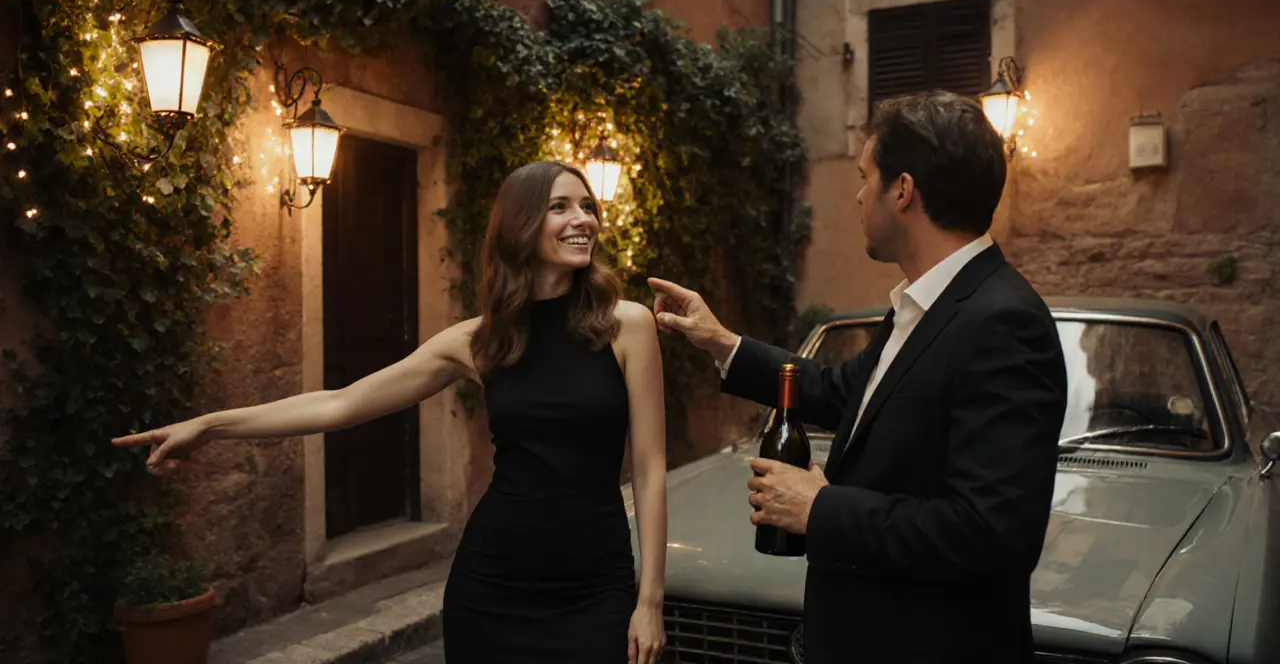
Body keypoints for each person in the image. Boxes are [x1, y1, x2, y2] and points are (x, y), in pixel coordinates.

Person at [113, 161, 669, 664]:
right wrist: (211, 426)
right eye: (560, 206)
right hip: (494, 587)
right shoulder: (479, 342)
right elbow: (341, 404)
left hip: (596, 587)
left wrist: (650, 601)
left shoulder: (627, 327)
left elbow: (648, 470)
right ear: (520, 226)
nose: (584, 219)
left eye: (588, 206)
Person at [648, 90, 1067, 664]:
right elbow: (840, 391)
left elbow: (991, 534)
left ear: (903, 191)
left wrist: (820, 509)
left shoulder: (1004, 321)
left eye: (866, 176)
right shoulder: (923, 307)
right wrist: (722, 343)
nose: (857, 194)